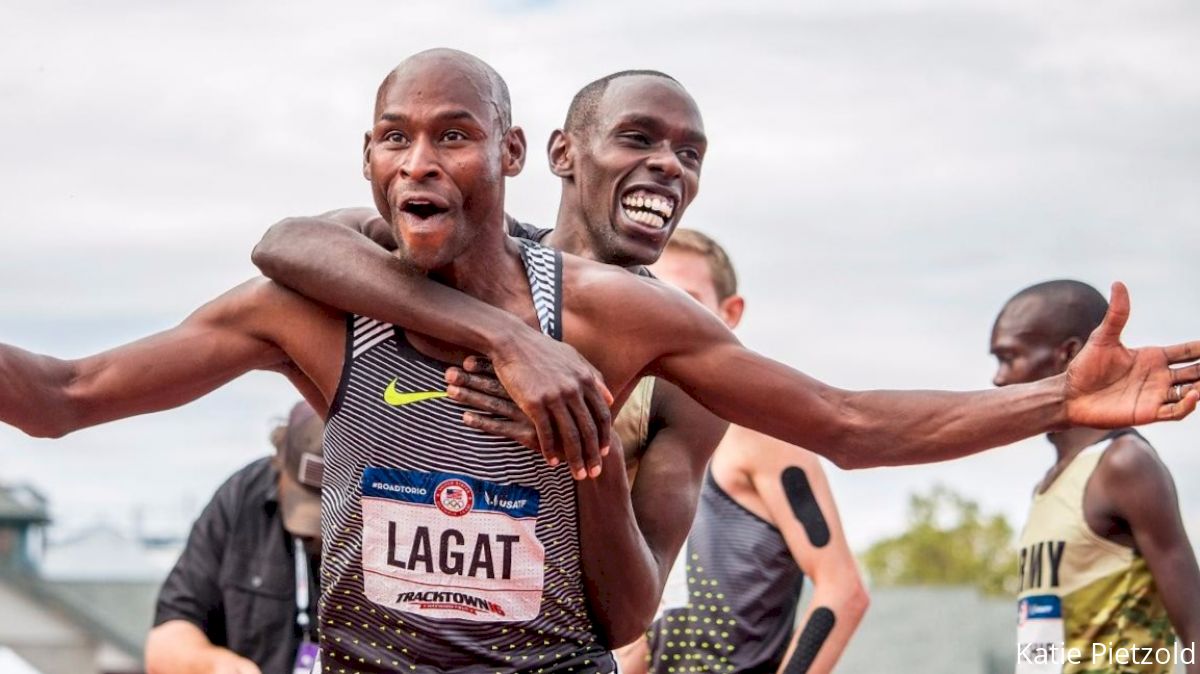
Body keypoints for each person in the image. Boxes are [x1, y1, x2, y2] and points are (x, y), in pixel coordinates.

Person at [1, 49, 1197, 673]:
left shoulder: (624, 322)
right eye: (395, 138)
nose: (423, 160)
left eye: (455, 136)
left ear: (515, 154)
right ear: (367, 163)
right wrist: (506, 340)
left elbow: (842, 420)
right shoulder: (317, 304)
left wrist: (1061, 395)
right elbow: (63, 396)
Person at [614, 229, 867, 674]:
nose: (664, 314)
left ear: (729, 313)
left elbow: (842, 590)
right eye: (652, 295)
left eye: (686, 299)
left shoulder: (758, 437)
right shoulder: (631, 437)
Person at [990, 281, 1200, 674]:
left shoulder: (1123, 465)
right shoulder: (1050, 484)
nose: (998, 379)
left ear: (1067, 354)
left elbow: (1195, 627)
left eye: (1009, 357)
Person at [146, 402, 325, 674]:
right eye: (305, 504)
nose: (316, 531)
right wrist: (214, 665)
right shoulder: (242, 498)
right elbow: (166, 639)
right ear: (279, 461)